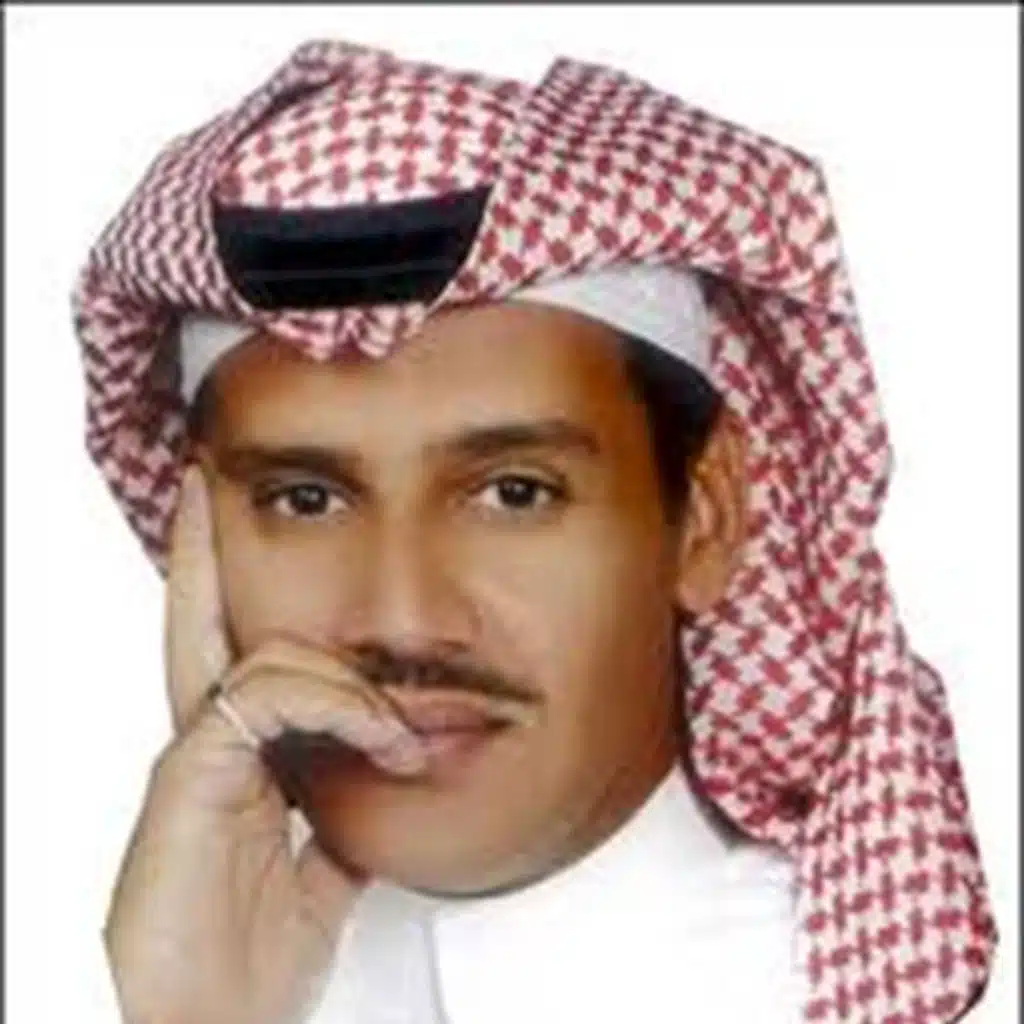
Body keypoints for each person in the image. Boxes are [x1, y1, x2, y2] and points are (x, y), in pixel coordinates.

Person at [72, 39, 996, 1024]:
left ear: (706, 516)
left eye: (515, 493)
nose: (403, 618)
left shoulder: (836, 990)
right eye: (305, 500)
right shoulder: (161, 984)